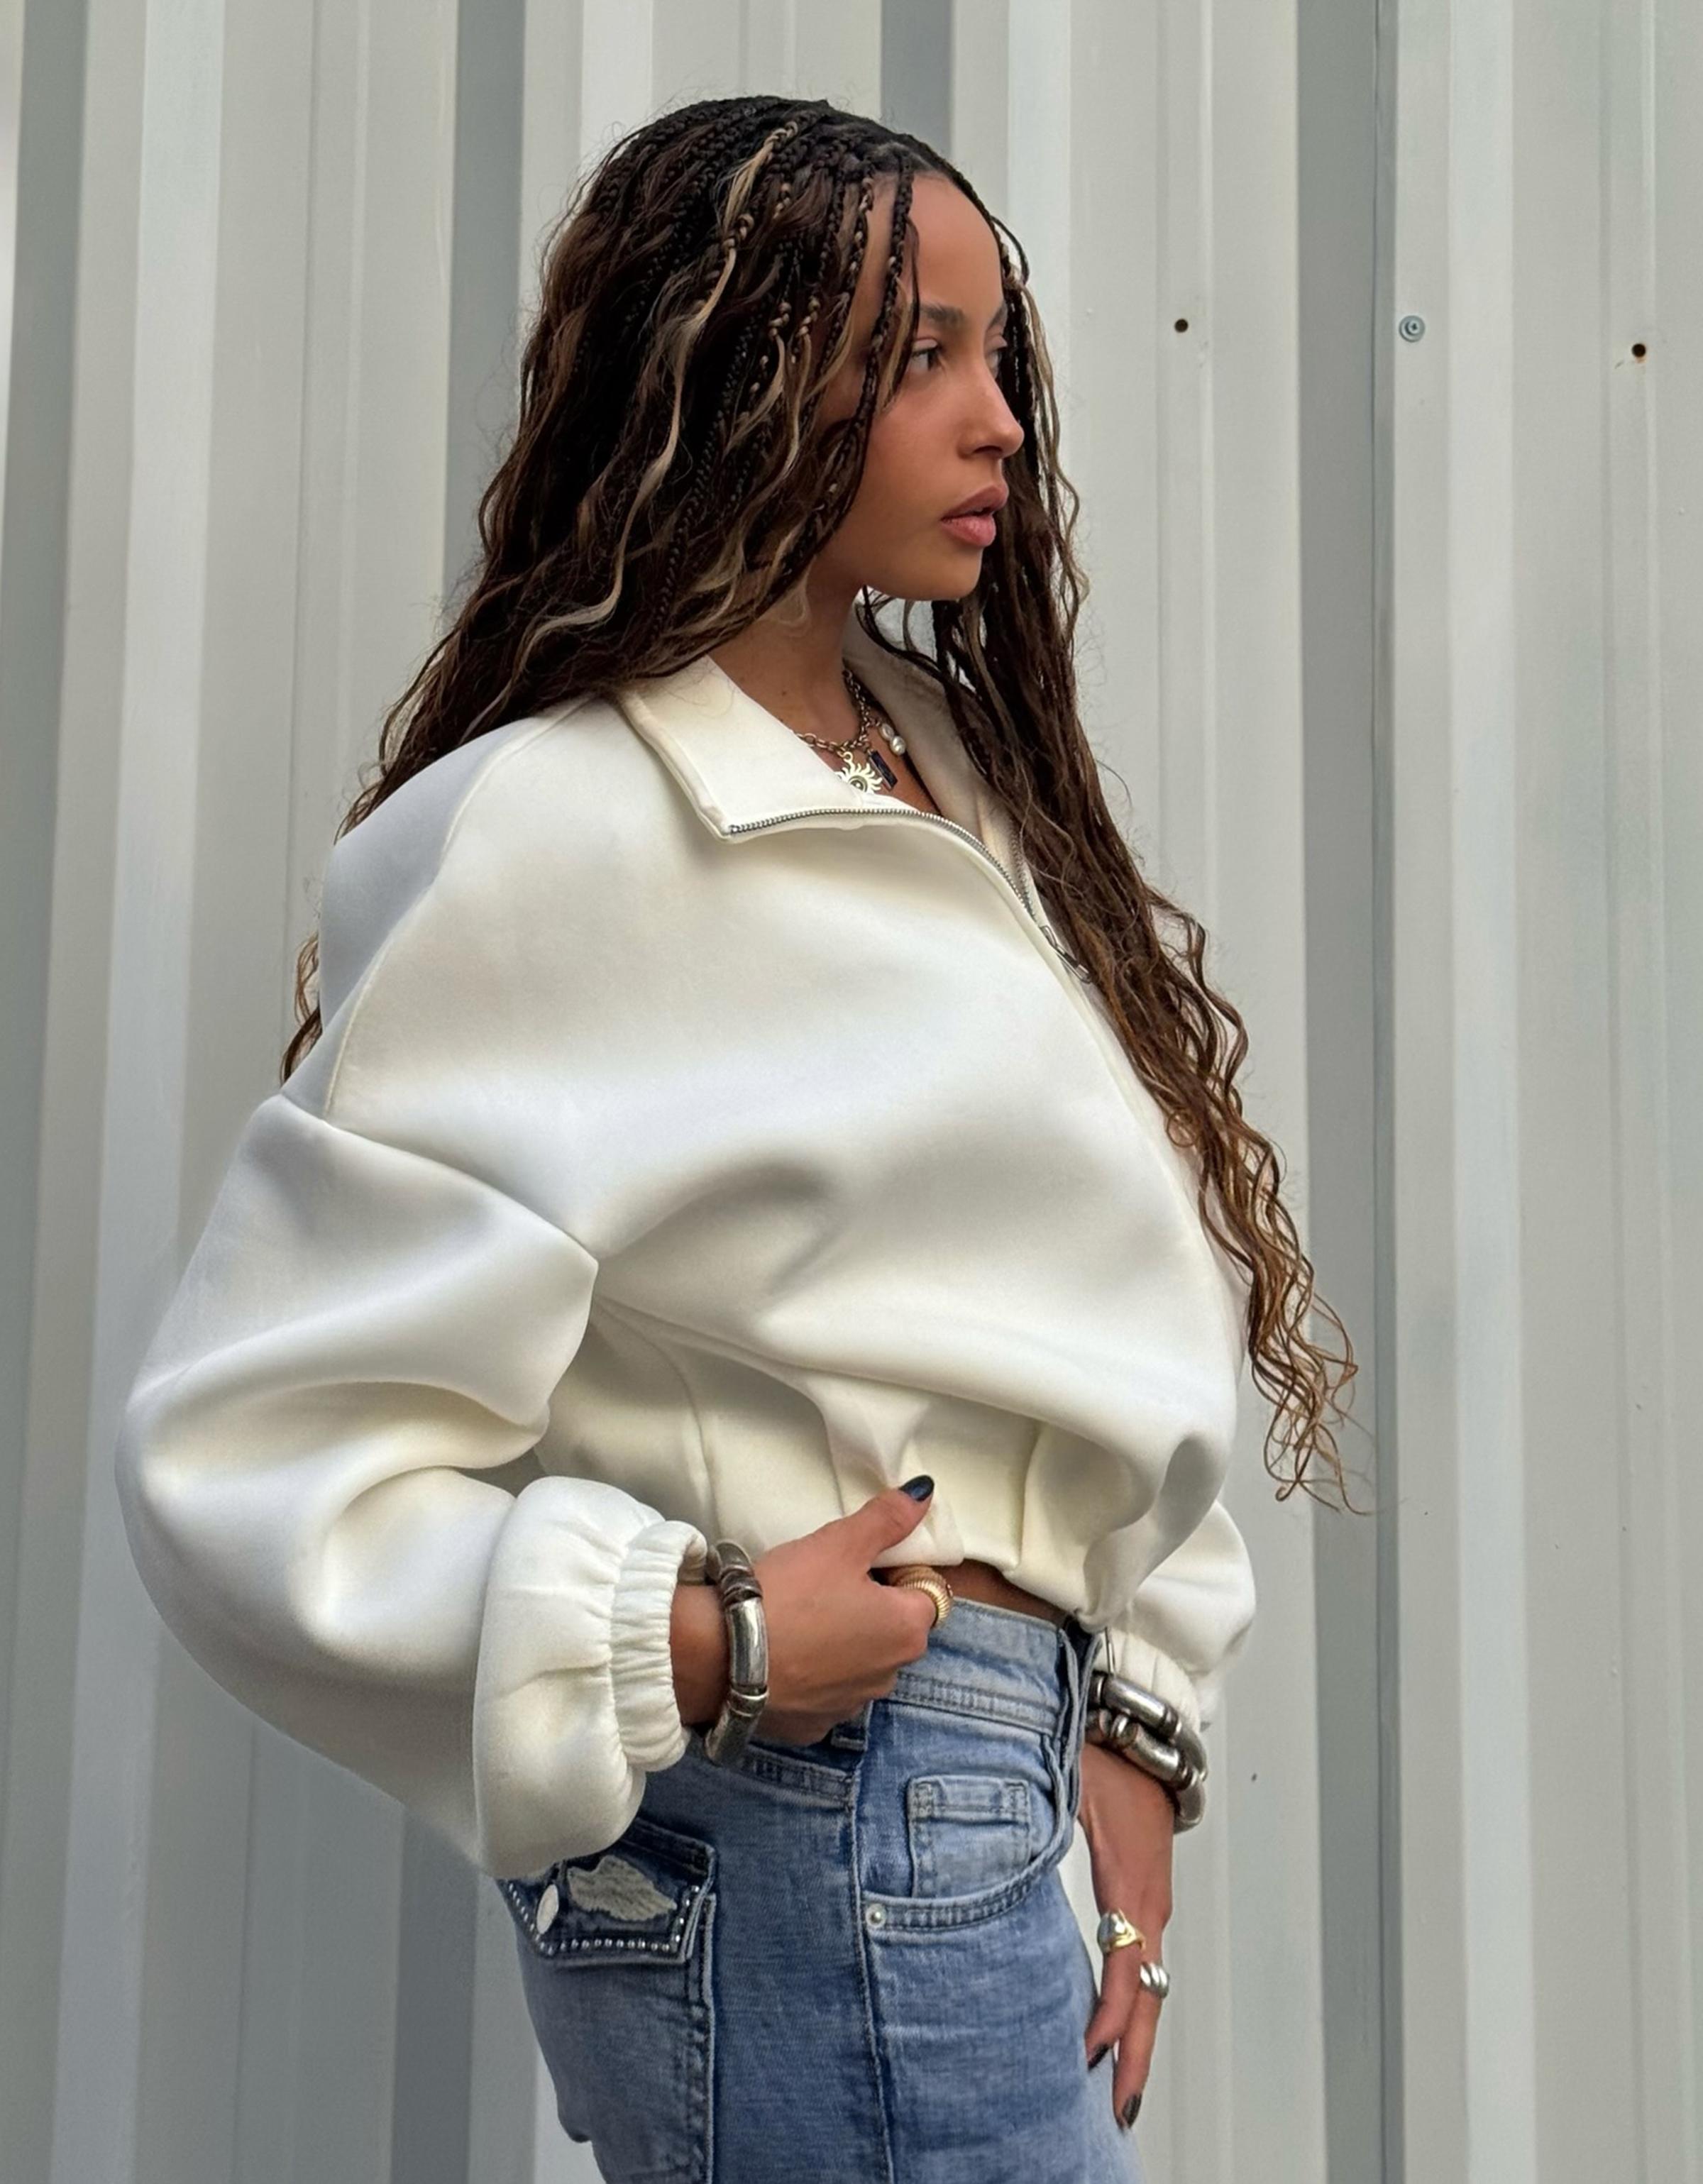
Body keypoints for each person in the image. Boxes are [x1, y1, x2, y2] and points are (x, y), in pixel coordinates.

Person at [114, 94, 1360, 2182]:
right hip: (814, 1814)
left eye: (999, 355)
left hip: (959, 1804)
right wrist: (690, 1635)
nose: (999, 423)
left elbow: (1072, 1297)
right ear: (734, 376)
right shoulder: (558, 832)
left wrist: (1138, 1716)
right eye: (915, 356)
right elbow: (247, 1458)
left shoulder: (947, 773)